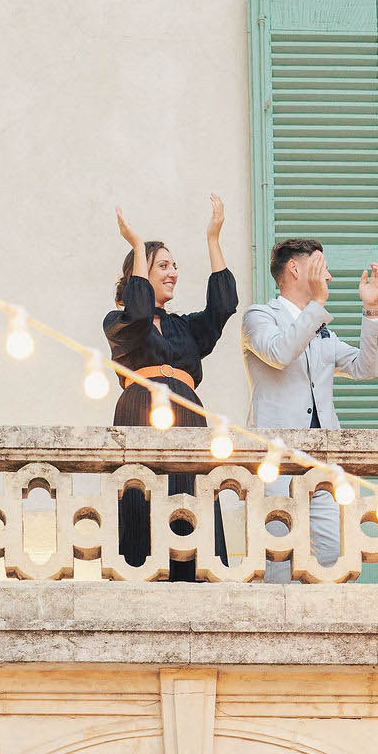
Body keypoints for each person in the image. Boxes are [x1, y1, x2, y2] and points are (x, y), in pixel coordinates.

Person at [241, 237, 378, 583]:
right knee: (278, 558)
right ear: (295, 268)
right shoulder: (259, 316)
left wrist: (370, 310)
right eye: (322, 267)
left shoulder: (323, 331)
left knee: (333, 558)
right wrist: (317, 303)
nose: (330, 277)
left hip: (323, 464)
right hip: (276, 463)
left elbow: (366, 367)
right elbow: (279, 352)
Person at [107, 197, 236, 581]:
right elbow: (141, 314)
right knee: (141, 498)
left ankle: (194, 573)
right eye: (163, 265)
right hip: (139, 413)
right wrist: (136, 246)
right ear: (140, 275)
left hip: (188, 417)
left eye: (175, 266)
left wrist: (213, 238)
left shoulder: (185, 327)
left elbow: (223, 306)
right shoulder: (118, 322)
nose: (174, 273)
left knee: (190, 495)